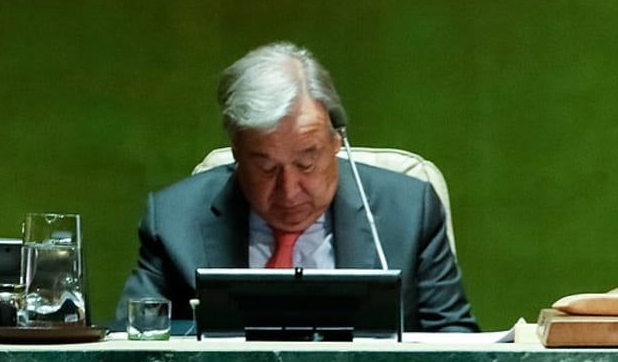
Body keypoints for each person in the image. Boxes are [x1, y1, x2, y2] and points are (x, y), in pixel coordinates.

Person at [116, 42, 477, 332]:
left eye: (307, 162)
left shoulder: (409, 210)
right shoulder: (174, 220)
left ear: (338, 142)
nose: (289, 192)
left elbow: (455, 343)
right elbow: (137, 343)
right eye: (266, 167)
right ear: (237, 153)